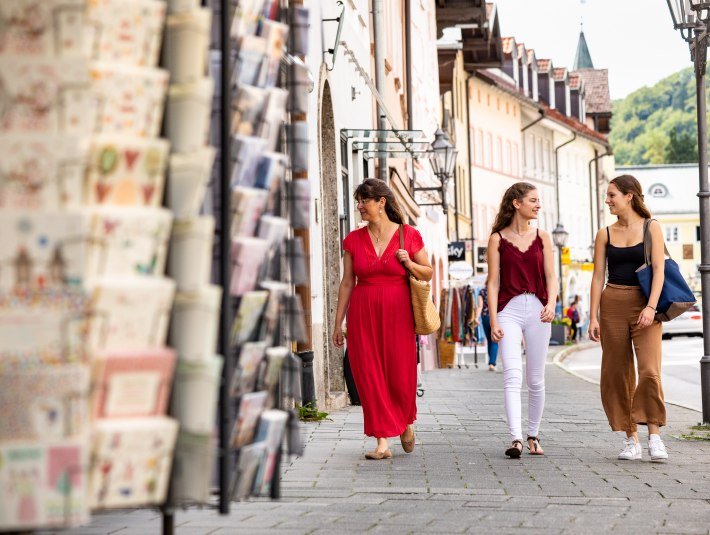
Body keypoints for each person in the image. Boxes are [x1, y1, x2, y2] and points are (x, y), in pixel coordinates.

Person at [332, 178, 433, 460]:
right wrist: (337, 322)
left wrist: (409, 263)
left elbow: (427, 272)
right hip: (363, 313)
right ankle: (381, 442)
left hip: (399, 312)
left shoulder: (408, 235)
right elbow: (346, 283)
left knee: (400, 374)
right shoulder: (352, 239)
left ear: (381, 202)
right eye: (359, 201)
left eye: (364, 200)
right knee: (369, 375)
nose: (360, 206)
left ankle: (405, 422)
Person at [588, 175, 669, 461]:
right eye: (607, 195)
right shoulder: (605, 234)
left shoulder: (651, 228)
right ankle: (631, 437)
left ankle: (655, 436)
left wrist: (651, 306)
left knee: (649, 370)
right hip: (612, 304)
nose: (607, 200)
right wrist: (593, 317)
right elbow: (598, 277)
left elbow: (658, 270)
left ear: (629, 196)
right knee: (616, 373)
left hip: (644, 304)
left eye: (612, 195)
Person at [487, 182, 557, 458]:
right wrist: (493, 320)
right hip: (509, 311)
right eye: (533, 200)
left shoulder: (543, 237)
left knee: (536, 379)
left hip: (539, 310)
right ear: (516, 203)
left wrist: (551, 303)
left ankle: (533, 435)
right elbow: (493, 283)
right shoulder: (497, 239)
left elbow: (551, 276)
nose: (538, 205)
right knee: (512, 375)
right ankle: (516, 438)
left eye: (539, 200)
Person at [476, 281, 499, 371]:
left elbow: (480, 306)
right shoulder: (497, 290)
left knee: (490, 339)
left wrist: (476, 317)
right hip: (496, 316)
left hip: (485, 317)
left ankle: (491, 362)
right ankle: (492, 363)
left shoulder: (482, 291)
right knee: (495, 340)